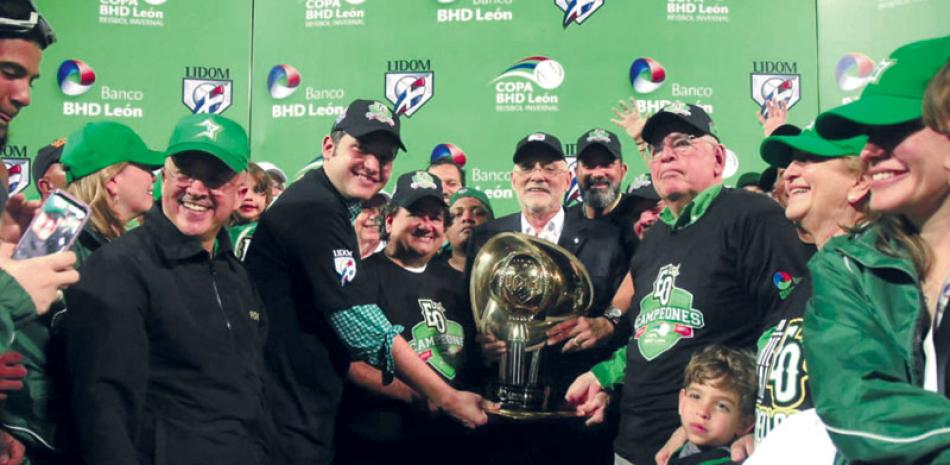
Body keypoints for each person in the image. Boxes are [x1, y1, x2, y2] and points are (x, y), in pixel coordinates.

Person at [565, 102, 811, 465]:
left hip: (708, 449)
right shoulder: (653, 239)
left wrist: (755, 419)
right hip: (631, 446)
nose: (666, 156)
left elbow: (789, 327)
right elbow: (650, 337)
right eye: (656, 148)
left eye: (682, 143)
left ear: (719, 157)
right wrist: (603, 377)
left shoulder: (751, 216)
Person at [244, 100, 488, 465]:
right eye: (361, 149)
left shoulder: (328, 204)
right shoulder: (314, 209)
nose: (373, 165)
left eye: (385, 157)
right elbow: (362, 328)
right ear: (329, 147)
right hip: (281, 416)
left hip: (298, 408)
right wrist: (446, 397)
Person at [63, 114, 268, 465]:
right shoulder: (118, 267)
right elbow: (103, 410)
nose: (197, 189)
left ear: (239, 188)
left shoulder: (235, 272)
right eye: (186, 171)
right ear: (166, 174)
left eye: (215, 177)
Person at [803, 35, 950, 464]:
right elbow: (856, 406)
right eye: (869, 134)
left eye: (896, 128)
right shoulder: (846, 264)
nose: (869, 152)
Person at [0, 121, 165, 465]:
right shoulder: (57, 237)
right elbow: (25, 342)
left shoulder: (115, 244)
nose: (155, 176)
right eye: (146, 167)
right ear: (113, 179)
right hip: (49, 444)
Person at [465, 131, 627, 465]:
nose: (537, 175)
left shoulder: (607, 239)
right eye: (527, 167)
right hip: (500, 416)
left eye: (549, 168)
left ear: (566, 178)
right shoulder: (487, 236)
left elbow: (626, 319)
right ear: (513, 179)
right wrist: (479, 347)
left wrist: (606, 324)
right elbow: (469, 316)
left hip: (574, 413)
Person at [335, 170, 481, 465]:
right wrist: (421, 396)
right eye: (416, 214)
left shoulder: (457, 283)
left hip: (449, 443)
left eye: (436, 217)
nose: (427, 225)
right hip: (378, 443)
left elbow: (470, 355)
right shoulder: (361, 277)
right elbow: (347, 363)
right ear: (389, 221)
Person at [668, 345, 756, 465]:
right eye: (696, 396)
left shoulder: (729, 460)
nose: (703, 412)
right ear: (682, 402)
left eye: (721, 406)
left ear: (743, 423)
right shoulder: (681, 450)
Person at [567, 128, 639, 257]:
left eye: (606, 164)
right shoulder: (563, 223)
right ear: (576, 172)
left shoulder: (642, 219)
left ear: (623, 171)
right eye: (589, 165)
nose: (598, 174)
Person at [441, 187, 493, 273]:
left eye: (478, 213)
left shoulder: (506, 270)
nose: (467, 218)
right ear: (445, 230)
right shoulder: (427, 273)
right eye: (457, 214)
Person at [229, 162, 272, 260]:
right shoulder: (220, 231)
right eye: (241, 190)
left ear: (267, 199)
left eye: (258, 190)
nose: (248, 197)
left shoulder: (265, 232)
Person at [354, 190, 389, 259]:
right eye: (368, 209)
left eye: (382, 212)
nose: (373, 217)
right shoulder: (331, 242)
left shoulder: (390, 261)